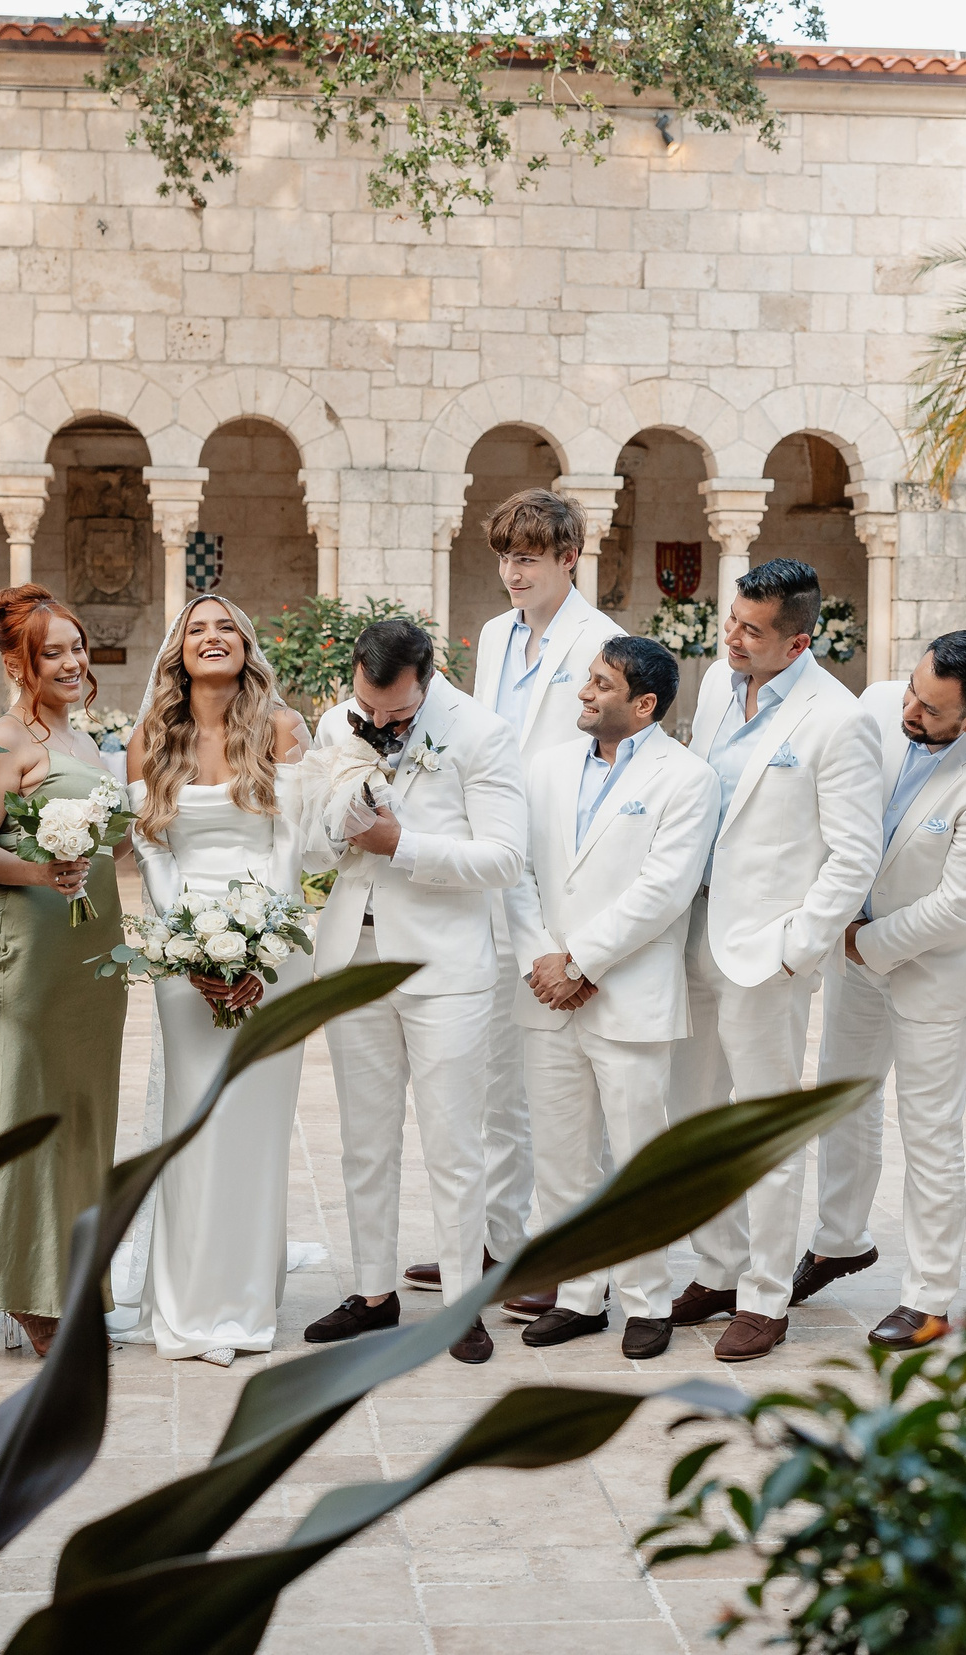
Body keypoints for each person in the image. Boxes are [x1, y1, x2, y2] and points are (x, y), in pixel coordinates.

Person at [410, 487, 626, 1313]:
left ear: (571, 557)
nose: (513, 570)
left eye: (530, 555)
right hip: (493, 863)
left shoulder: (601, 638)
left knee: (558, 1081)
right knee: (495, 1071)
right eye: (505, 555)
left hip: (564, 863)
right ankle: (494, 1243)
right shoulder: (496, 636)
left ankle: (560, 1253)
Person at [665, 557, 881, 1364]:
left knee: (760, 1126)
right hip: (692, 932)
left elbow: (854, 853)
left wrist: (798, 948)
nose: (734, 638)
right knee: (693, 1117)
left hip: (767, 954)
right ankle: (718, 1267)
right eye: (732, 621)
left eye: (753, 631)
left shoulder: (840, 719)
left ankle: (765, 1294)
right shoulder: (719, 687)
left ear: (799, 639)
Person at [299, 617, 526, 1365]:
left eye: (396, 715)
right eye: (369, 709)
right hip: (353, 953)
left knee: (454, 1143)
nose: (379, 724)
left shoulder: (482, 732)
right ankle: (372, 1293)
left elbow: (502, 857)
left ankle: (463, 1302)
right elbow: (315, 836)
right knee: (364, 1140)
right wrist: (337, 829)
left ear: (427, 679)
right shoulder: (338, 722)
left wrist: (402, 846)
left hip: (444, 967)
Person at [797, 631, 966, 1352]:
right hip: (855, 952)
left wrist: (869, 940)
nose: (910, 710)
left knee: (928, 1131)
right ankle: (839, 1239)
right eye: (913, 692)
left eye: (931, 709)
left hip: (935, 972)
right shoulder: (875, 706)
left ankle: (928, 1297)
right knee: (841, 1098)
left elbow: (960, 904)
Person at [502, 635, 717, 1359]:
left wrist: (585, 961)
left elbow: (665, 888)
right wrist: (545, 958)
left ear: (644, 703)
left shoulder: (687, 779)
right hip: (546, 989)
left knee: (635, 1156)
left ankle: (647, 1301)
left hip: (628, 994)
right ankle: (577, 1294)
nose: (584, 693)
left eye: (600, 684)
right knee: (562, 1157)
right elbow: (519, 872)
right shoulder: (545, 769)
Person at [113, 595, 311, 1366]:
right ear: (178, 653)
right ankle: (190, 1297)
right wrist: (193, 947)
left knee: (255, 1126)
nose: (213, 636)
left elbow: (290, 848)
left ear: (247, 643)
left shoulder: (285, 731)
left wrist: (258, 949)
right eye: (197, 628)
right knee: (193, 1124)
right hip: (181, 953)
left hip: (274, 948)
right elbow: (156, 854)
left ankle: (245, 1297)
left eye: (227, 624)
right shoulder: (148, 739)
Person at [0, 585, 129, 1357]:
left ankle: (76, 1281)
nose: (71, 661)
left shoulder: (89, 740)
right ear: (17, 662)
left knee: (85, 1116)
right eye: (52, 651)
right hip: (25, 950)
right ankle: (30, 1295)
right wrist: (38, 875)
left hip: (92, 951)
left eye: (76, 646)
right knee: (30, 1114)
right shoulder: (2, 740)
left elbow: (109, 845)